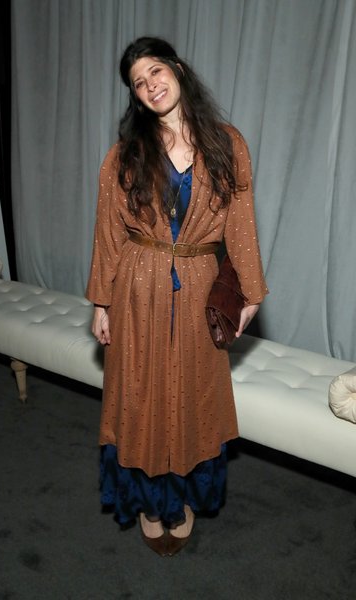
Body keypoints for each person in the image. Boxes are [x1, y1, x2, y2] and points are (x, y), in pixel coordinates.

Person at [86, 36, 268, 556]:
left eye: (156, 71)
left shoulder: (227, 144)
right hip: (136, 287)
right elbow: (108, 234)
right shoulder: (124, 155)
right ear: (135, 96)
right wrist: (101, 303)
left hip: (199, 286)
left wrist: (251, 292)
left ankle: (182, 499)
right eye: (138, 82)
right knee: (141, 397)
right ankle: (150, 504)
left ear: (178, 70)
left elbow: (241, 225)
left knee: (193, 396)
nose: (150, 85)